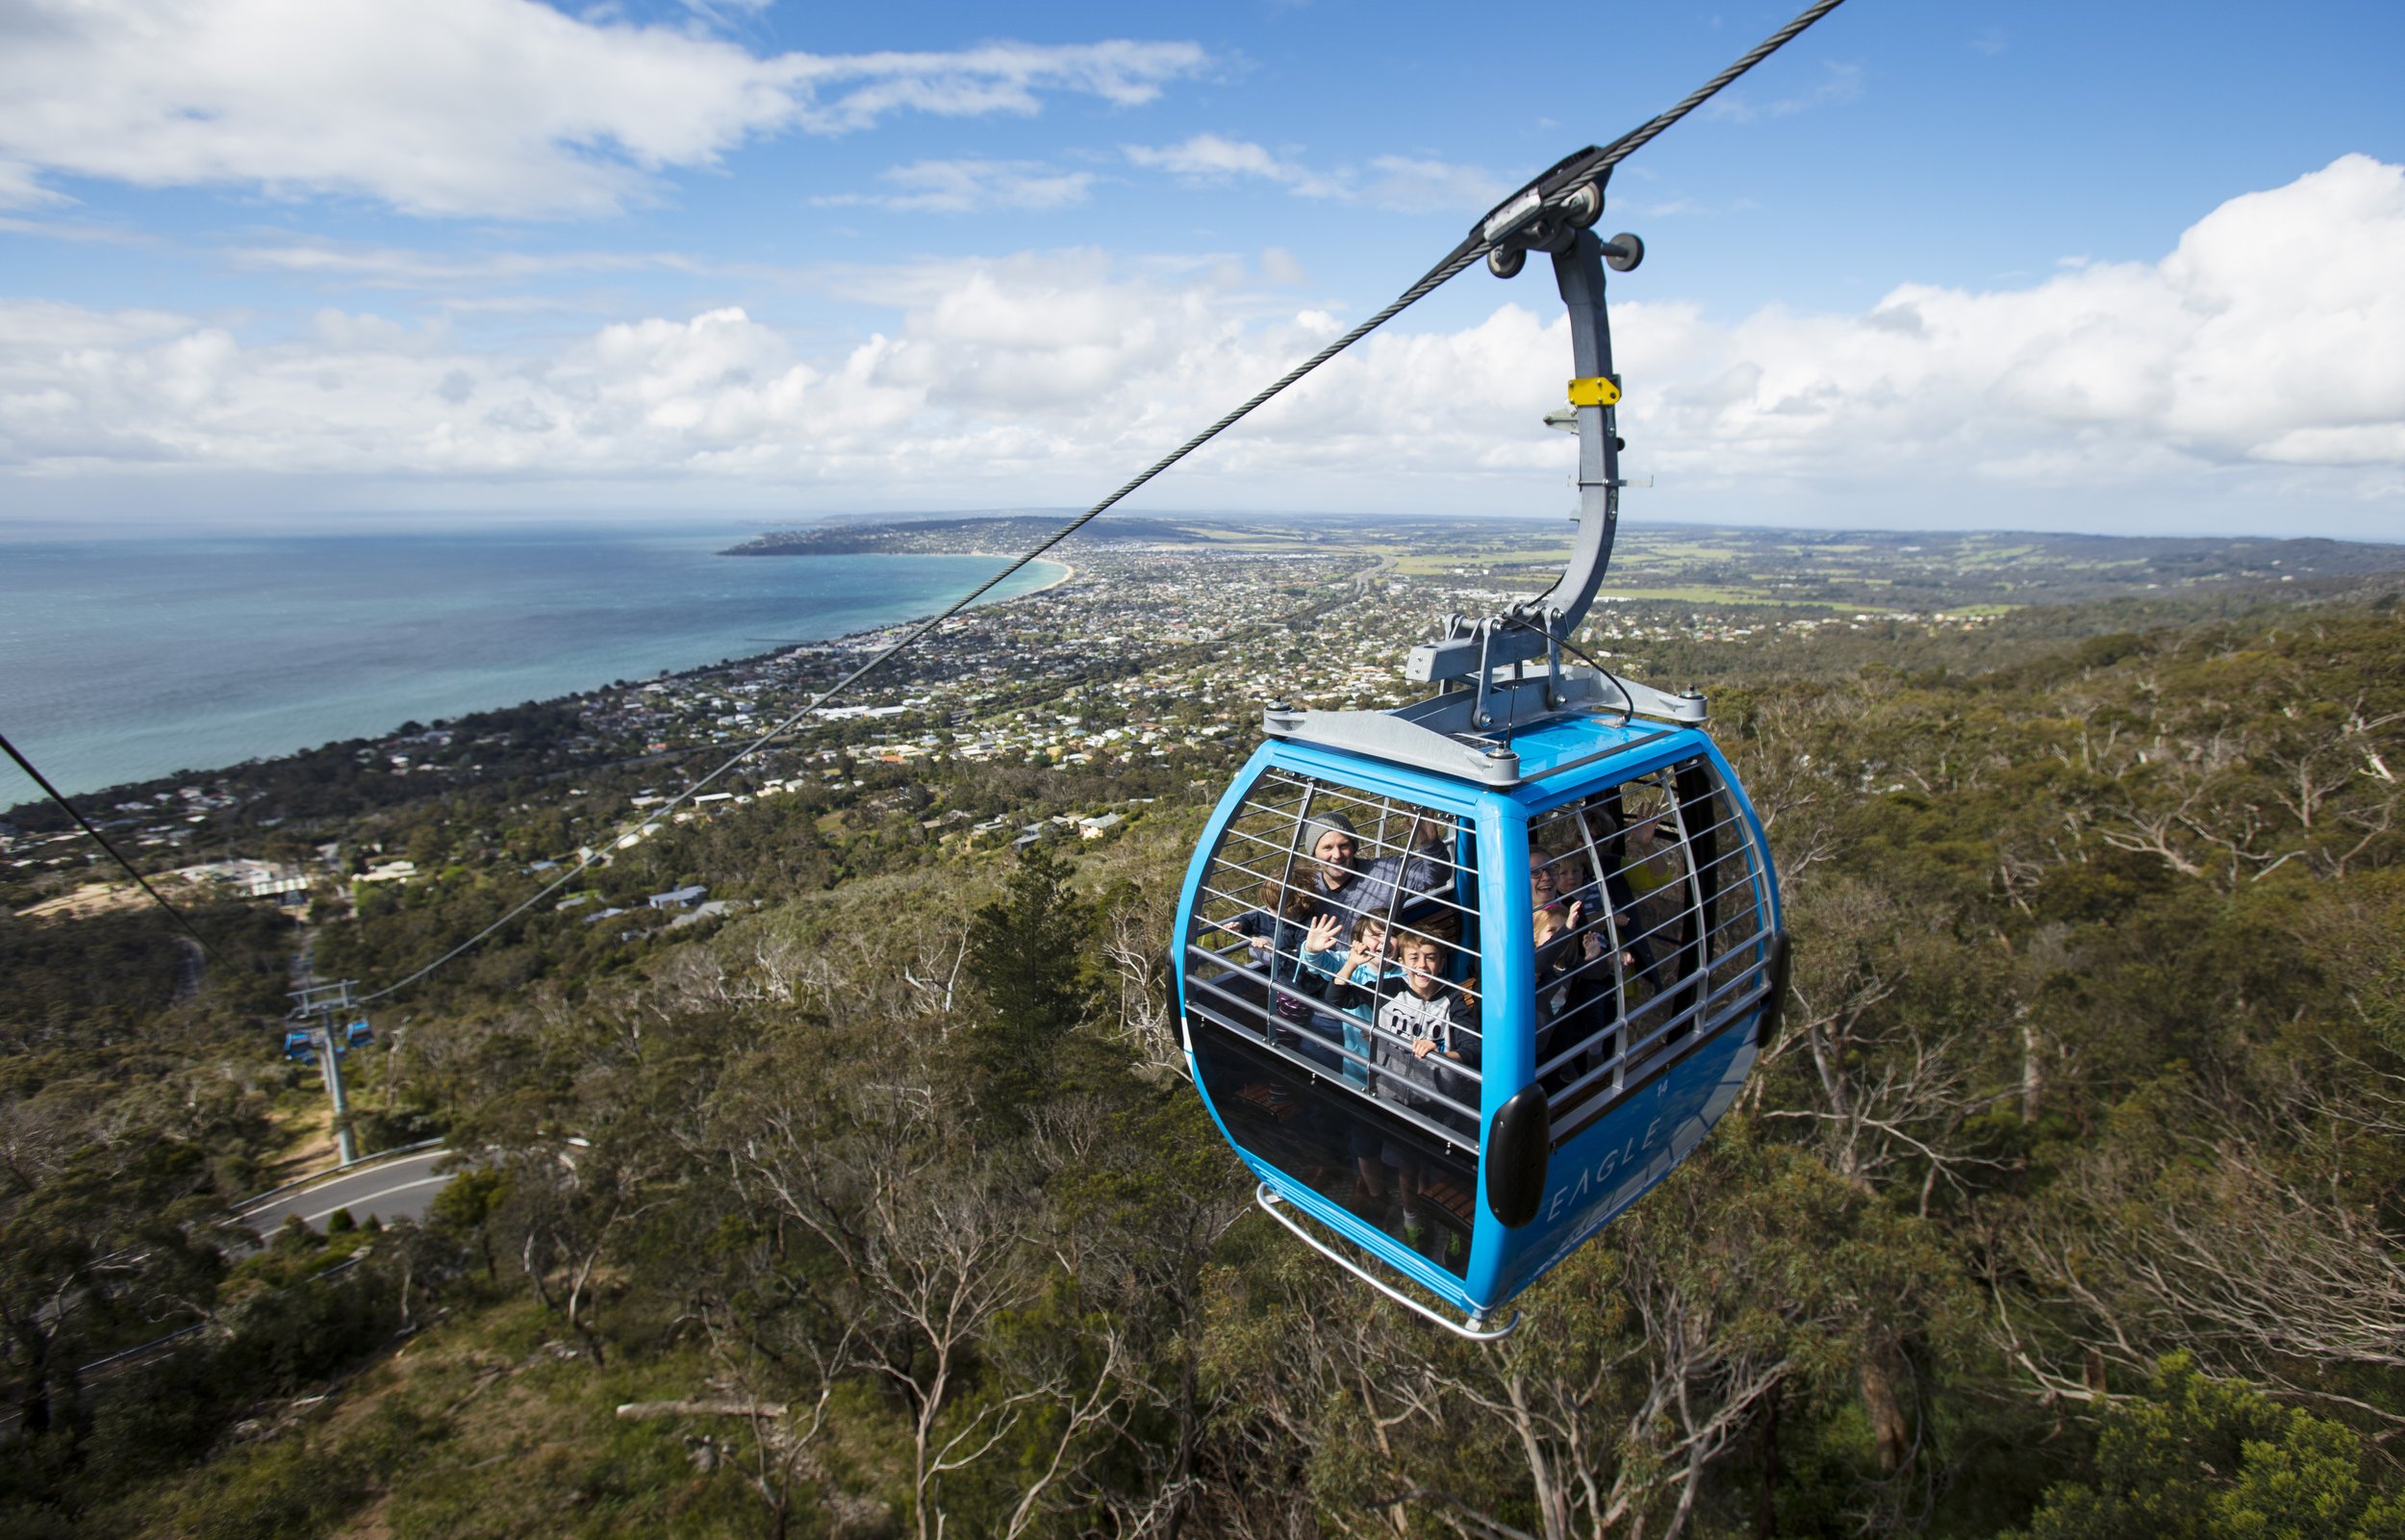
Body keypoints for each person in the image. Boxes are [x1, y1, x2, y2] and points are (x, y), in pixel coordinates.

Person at [1329, 928, 1481, 1255]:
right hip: (1395, 1097)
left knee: (1444, 1170)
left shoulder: (1451, 1000)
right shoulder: (1390, 988)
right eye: (1414, 958)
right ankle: (1413, 1222)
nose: (1422, 966)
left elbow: (1472, 1048)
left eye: (1430, 958)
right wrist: (1351, 965)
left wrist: (1441, 1054)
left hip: (1437, 1101)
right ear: (1401, 962)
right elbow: (1337, 998)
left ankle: (1455, 1229)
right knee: (1407, 1169)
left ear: (1441, 963)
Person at [1296, 810, 1453, 934]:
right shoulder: (1305, 887)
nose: (1337, 855)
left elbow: (1436, 876)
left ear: (1354, 846)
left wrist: (1429, 843)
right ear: (1313, 853)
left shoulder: (1384, 872)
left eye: (1344, 846)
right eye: (1327, 848)